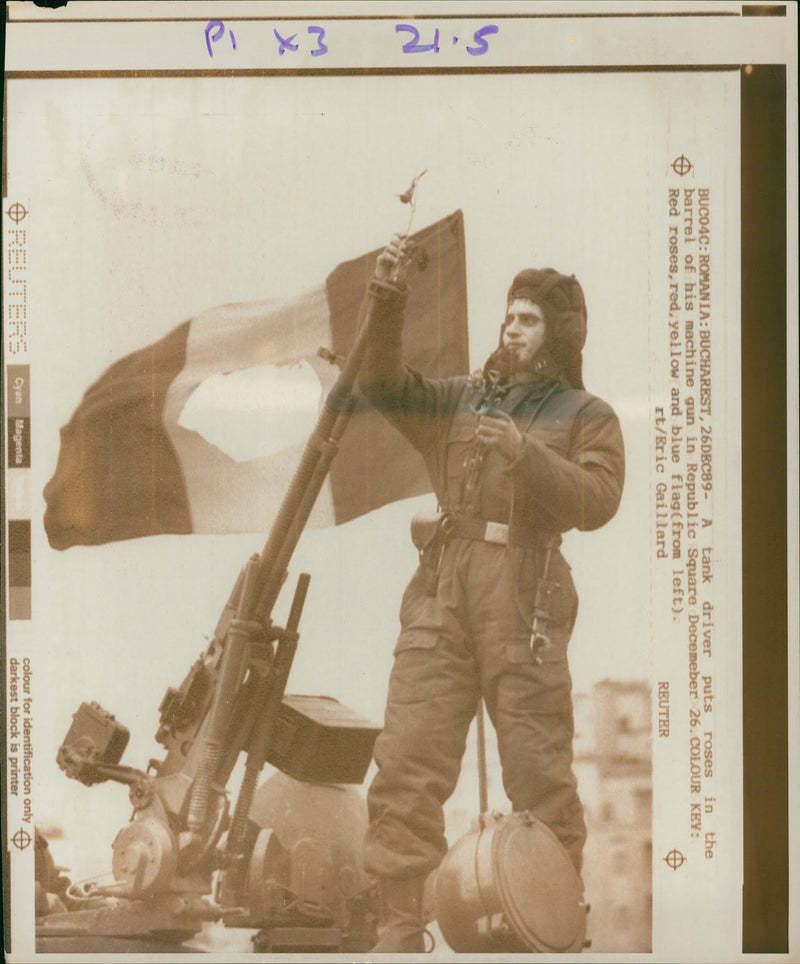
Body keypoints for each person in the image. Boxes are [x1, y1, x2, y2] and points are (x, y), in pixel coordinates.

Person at [358, 235, 626, 953]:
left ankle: (554, 929)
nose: (512, 326)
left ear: (558, 335)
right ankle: (396, 930)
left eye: (530, 318)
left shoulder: (587, 413)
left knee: (538, 774)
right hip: (442, 590)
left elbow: (599, 498)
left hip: (525, 596)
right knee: (408, 758)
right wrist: (387, 300)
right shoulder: (455, 401)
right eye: (508, 315)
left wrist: (525, 455)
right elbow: (381, 384)